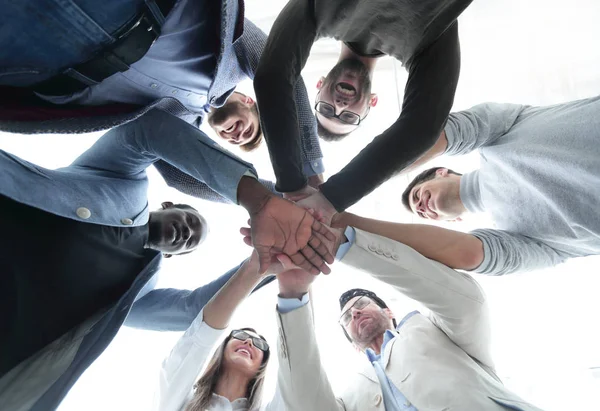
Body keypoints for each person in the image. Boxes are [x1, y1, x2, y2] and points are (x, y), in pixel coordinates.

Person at [0, 109, 334, 410]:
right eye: (191, 222)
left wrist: (270, 258)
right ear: (168, 204)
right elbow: (147, 130)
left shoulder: (137, 295)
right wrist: (260, 199)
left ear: (173, 256)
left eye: (190, 243)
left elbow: (194, 312)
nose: (187, 233)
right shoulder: (119, 178)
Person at [0, 0, 324, 205]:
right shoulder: (239, 59)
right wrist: (308, 174)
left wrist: (269, 196)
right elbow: (283, 77)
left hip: (39, 57)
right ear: (249, 100)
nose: (239, 136)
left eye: (239, 143)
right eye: (254, 130)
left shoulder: (175, 126)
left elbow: (179, 177)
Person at [266, 224, 545, 410]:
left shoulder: (435, 331)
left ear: (390, 312)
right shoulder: (348, 395)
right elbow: (303, 401)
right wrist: (293, 293)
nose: (356, 312)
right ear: (352, 343)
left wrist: (346, 245)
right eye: (347, 316)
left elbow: (468, 305)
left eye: (362, 303)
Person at [253, 0, 474, 219]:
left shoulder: (317, 11)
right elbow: (423, 127)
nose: (339, 106)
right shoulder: (428, 42)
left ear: (319, 85)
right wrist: (331, 199)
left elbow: (272, 77)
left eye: (326, 109)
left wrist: (293, 186)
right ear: (372, 103)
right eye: (348, 117)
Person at [390, 96, 600, 275]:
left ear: (440, 172)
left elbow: (450, 133)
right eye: (421, 214)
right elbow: (471, 254)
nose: (419, 207)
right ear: (454, 220)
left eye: (416, 195)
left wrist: (374, 176)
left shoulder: (496, 136)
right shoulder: (512, 237)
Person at [154, 250, 287, 411]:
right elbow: (199, 340)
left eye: (259, 344)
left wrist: (297, 277)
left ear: (263, 364)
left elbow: (296, 378)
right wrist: (254, 269)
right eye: (240, 335)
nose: (249, 341)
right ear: (222, 349)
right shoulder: (180, 401)